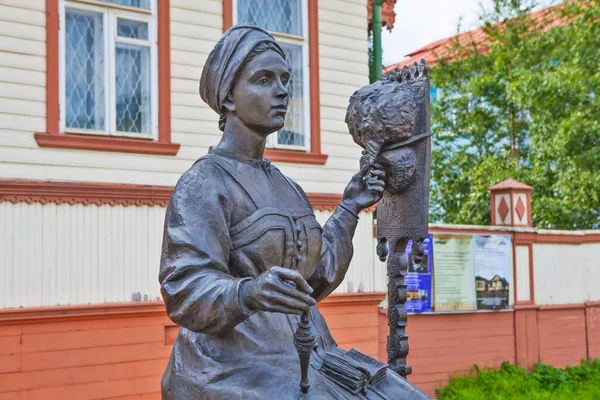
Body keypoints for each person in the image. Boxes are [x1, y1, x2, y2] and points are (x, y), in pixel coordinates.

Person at [159, 25, 428, 399]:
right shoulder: (204, 183)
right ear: (228, 98)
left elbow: (314, 280)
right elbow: (185, 289)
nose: (282, 90)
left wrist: (350, 207)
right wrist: (248, 292)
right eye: (263, 79)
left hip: (309, 355)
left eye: (284, 79)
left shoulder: (286, 187)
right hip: (232, 365)